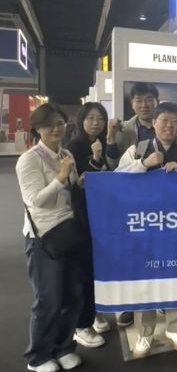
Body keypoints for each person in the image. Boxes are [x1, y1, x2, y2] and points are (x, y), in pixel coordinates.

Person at [116, 102, 177, 358]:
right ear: (153, 123)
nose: (169, 126)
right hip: (144, 227)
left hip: (176, 227)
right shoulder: (137, 150)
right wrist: (143, 164)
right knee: (146, 278)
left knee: (175, 275)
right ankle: (145, 332)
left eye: (175, 122)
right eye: (164, 120)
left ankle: (174, 326)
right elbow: (116, 178)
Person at [16, 103, 85, 372]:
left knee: (73, 295)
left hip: (70, 232)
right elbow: (35, 201)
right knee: (49, 299)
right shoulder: (29, 159)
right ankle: (38, 356)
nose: (56, 129)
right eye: (48, 125)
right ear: (37, 129)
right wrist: (61, 176)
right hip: (44, 237)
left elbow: (69, 191)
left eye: (60, 123)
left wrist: (77, 182)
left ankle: (64, 347)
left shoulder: (66, 154)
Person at [104, 82, 159, 328]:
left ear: (156, 101)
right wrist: (110, 137)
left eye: (148, 99)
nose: (144, 104)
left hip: (159, 202)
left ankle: (159, 298)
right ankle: (128, 305)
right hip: (130, 201)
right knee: (130, 253)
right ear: (132, 103)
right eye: (139, 100)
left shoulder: (167, 123)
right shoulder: (124, 129)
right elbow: (112, 165)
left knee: (157, 252)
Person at [66, 103, 114, 349]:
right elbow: (79, 185)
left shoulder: (103, 143)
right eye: (91, 118)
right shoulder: (74, 147)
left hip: (101, 215)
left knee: (98, 268)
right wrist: (95, 159)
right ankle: (81, 326)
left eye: (100, 119)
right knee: (83, 271)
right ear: (81, 120)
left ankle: (94, 313)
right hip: (83, 216)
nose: (96, 123)